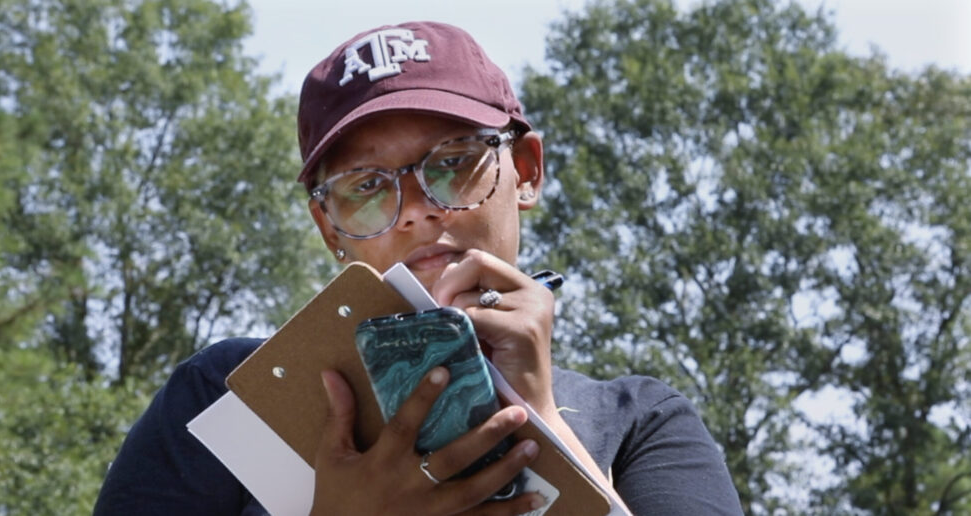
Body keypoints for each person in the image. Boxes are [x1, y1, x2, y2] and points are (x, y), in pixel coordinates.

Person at [93, 21, 743, 515]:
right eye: (366, 186)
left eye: (452, 162)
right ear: (328, 228)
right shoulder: (231, 393)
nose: (411, 211)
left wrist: (541, 418)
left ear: (526, 171)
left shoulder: (642, 423)